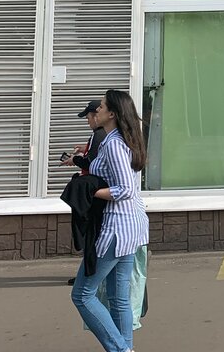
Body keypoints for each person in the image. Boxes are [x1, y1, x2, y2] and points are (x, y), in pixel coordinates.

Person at [70, 89, 149, 352]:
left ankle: (121, 349)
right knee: (119, 298)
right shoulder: (124, 140)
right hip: (131, 227)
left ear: (112, 113)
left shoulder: (114, 144)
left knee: (82, 295)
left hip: (115, 228)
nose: (97, 110)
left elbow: (124, 189)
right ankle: (126, 347)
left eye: (102, 107)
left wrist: (89, 191)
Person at [64, 100, 108, 285]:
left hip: (94, 192)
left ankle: (89, 276)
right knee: (91, 235)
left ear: (97, 116)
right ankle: (89, 273)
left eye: (88, 117)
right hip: (95, 191)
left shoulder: (100, 135)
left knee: (91, 234)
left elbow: (92, 163)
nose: (87, 121)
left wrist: (75, 160)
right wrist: (85, 149)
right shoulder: (100, 135)